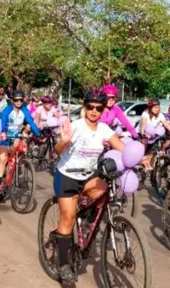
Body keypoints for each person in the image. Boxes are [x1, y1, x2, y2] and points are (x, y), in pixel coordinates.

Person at [52, 88, 125, 284]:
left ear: (103, 110)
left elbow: (122, 148)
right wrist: (64, 141)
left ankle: (85, 224)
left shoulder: (104, 130)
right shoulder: (74, 126)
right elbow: (57, 151)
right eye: (90, 106)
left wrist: (141, 159)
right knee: (67, 217)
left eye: (98, 108)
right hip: (67, 175)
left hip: (88, 176)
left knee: (105, 193)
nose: (94, 111)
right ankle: (64, 265)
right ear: (84, 107)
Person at [0, 89, 41, 200]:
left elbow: (30, 121)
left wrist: (38, 134)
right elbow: (3, 121)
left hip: (16, 136)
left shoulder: (24, 110)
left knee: (21, 151)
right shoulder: (7, 110)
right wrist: (4, 132)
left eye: (21, 100)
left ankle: (17, 168)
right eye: (16, 100)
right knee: (2, 158)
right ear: (12, 100)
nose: (19, 102)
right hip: (5, 137)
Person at [139, 98, 170, 170]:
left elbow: (166, 125)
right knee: (144, 142)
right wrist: (143, 134)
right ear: (150, 107)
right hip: (143, 134)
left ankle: (151, 164)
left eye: (158, 107)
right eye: (155, 107)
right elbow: (143, 126)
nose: (157, 109)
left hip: (153, 135)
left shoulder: (160, 115)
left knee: (156, 147)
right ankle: (142, 160)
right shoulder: (145, 114)